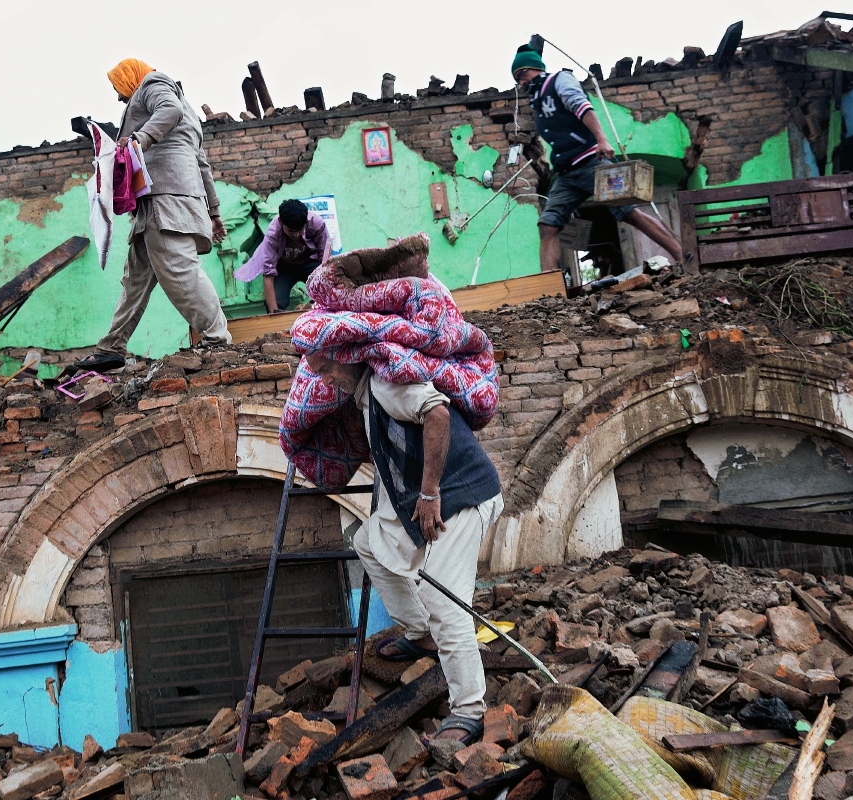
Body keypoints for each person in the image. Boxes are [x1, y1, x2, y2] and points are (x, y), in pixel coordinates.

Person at [306, 351, 503, 743]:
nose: (326, 380)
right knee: (367, 541)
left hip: (463, 496)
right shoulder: (367, 393)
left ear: (347, 358)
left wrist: (429, 493)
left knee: (442, 597)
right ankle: (419, 632)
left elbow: (438, 414)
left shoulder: (386, 383)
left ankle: (468, 709)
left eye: (327, 369)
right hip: (433, 499)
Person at [76, 58, 231, 373]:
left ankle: (218, 340)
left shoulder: (152, 83)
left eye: (120, 89)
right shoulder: (189, 115)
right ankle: (111, 348)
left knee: (180, 270)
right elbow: (202, 164)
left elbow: (168, 111)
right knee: (134, 280)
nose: (121, 97)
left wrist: (138, 140)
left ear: (130, 77)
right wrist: (213, 212)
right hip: (160, 202)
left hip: (166, 198)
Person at [511, 45, 685, 274]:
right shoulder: (539, 103)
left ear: (535, 68)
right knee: (548, 225)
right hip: (565, 174)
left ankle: (682, 257)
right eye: (517, 79)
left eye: (522, 75)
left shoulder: (560, 81)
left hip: (591, 162)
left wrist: (602, 140)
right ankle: (548, 288)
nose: (521, 83)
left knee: (628, 213)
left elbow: (582, 106)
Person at [235, 199, 331, 314]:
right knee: (277, 303)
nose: (296, 235)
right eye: (291, 231)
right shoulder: (272, 234)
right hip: (284, 269)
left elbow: (324, 261)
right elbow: (268, 274)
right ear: (280, 222)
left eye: (299, 230)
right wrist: (274, 313)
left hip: (310, 264)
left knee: (328, 294)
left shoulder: (317, 223)